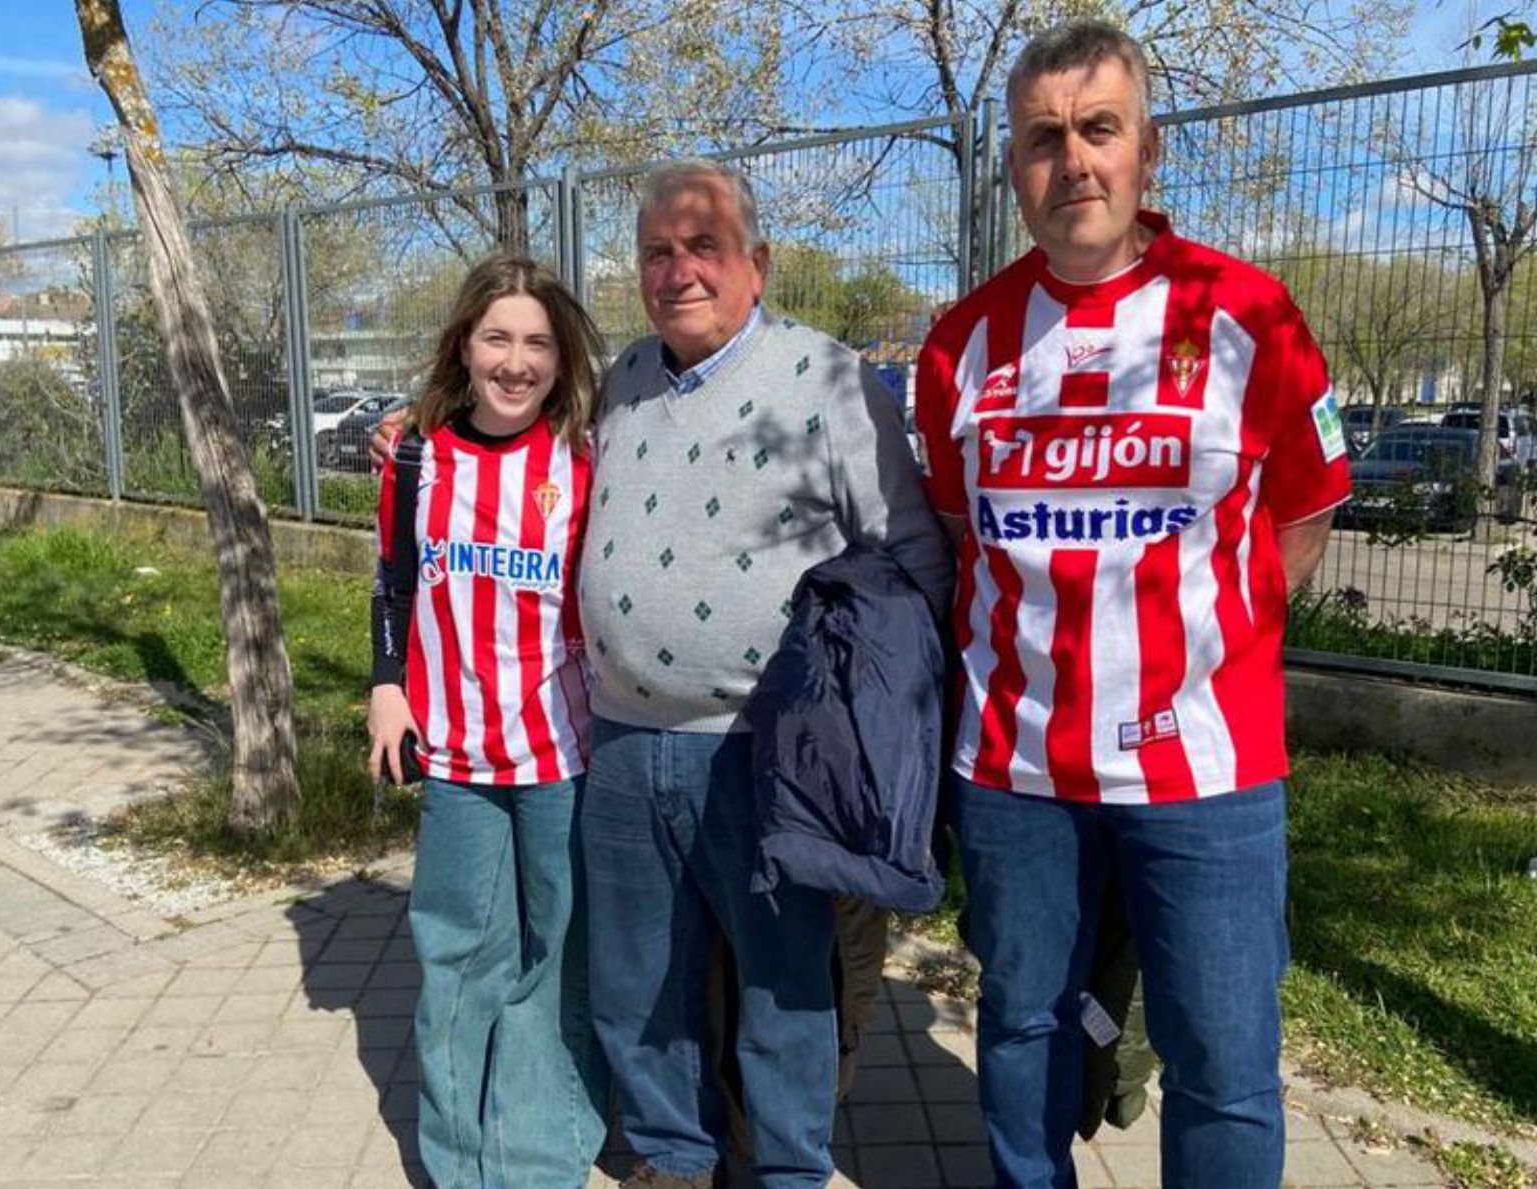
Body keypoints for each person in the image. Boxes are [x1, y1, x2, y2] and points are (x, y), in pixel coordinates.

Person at [914, 21, 1351, 1189]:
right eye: (1044, 138)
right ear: (1013, 166)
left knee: (1221, 1059)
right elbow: (963, 535)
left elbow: (1304, 509)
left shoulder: (1248, 314)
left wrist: (1224, 635)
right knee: (1021, 1030)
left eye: (1098, 129)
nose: (1075, 162)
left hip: (1207, 773)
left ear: (1146, 149)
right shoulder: (961, 347)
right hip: (1014, 774)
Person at [577, 159, 951, 1189]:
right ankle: (668, 1154)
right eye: (658, 250)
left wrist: (893, 736)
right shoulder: (619, 381)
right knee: (636, 976)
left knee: (785, 984)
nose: (678, 270)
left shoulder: (826, 379)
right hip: (620, 739)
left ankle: (790, 1167)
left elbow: (909, 554)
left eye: (703, 246)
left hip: (765, 749)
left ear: (757, 262)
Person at [368, 255, 608, 1189]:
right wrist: (387, 683)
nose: (516, 361)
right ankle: (460, 1162)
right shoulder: (416, 453)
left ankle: (539, 1156)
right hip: (458, 756)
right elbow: (392, 579)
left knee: (556, 959)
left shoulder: (585, 458)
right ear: (464, 345)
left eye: (537, 342)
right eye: (497, 337)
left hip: (563, 752)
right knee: (460, 959)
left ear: (562, 356)